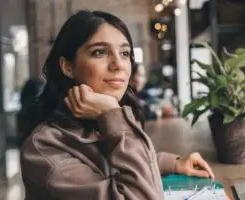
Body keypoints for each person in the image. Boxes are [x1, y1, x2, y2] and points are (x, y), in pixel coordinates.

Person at [20, 10, 215, 200]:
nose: (119, 64)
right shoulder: (43, 148)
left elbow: (112, 162)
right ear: (68, 67)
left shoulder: (94, 122)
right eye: (100, 52)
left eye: (124, 53)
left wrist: (174, 163)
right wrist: (112, 114)